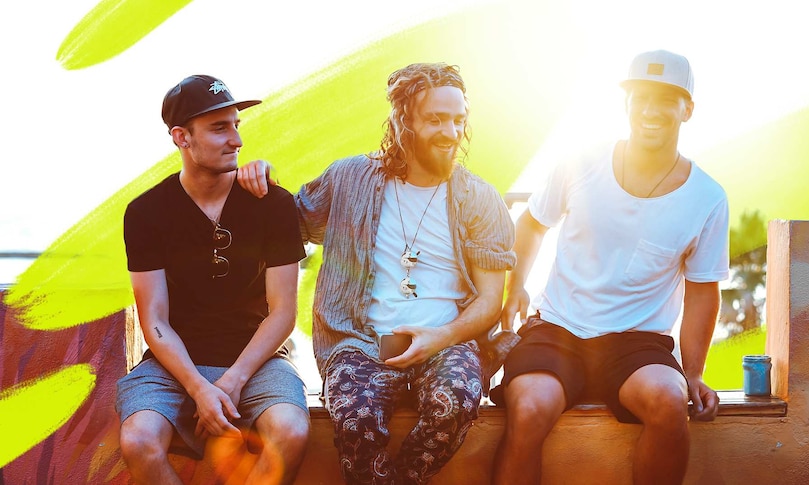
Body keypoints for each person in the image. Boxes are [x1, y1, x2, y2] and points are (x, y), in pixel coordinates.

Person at [238, 63, 516, 485]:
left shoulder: (480, 198)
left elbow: (489, 301)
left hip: (447, 341)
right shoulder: (349, 178)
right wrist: (261, 176)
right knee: (357, 422)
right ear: (402, 120)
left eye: (459, 119)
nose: (451, 132)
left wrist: (438, 338)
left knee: (455, 402)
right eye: (435, 119)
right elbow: (288, 222)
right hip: (358, 343)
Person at [490, 50, 729, 485]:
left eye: (665, 99)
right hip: (559, 329)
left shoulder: (708, 197)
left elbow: (702, 292)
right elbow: (532, 223)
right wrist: (517, 288)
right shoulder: (582, 160)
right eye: (640, 97)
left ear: (687, 109)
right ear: (626, 104)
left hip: (637, 343)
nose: (650, 110)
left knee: (669, 402)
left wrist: (693, 373)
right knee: (528, 408)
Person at [116, 75, 310, 485]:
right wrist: (201, 390)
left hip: (257, 360)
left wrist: (232, 380)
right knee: (138, 440)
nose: (236, 140)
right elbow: (154, 320)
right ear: (181, 137)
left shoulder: (273, 204)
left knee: (291, 431)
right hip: (174, 364)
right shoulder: (146, 212)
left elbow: (283, 312)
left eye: (237, 125)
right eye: (220, 128)